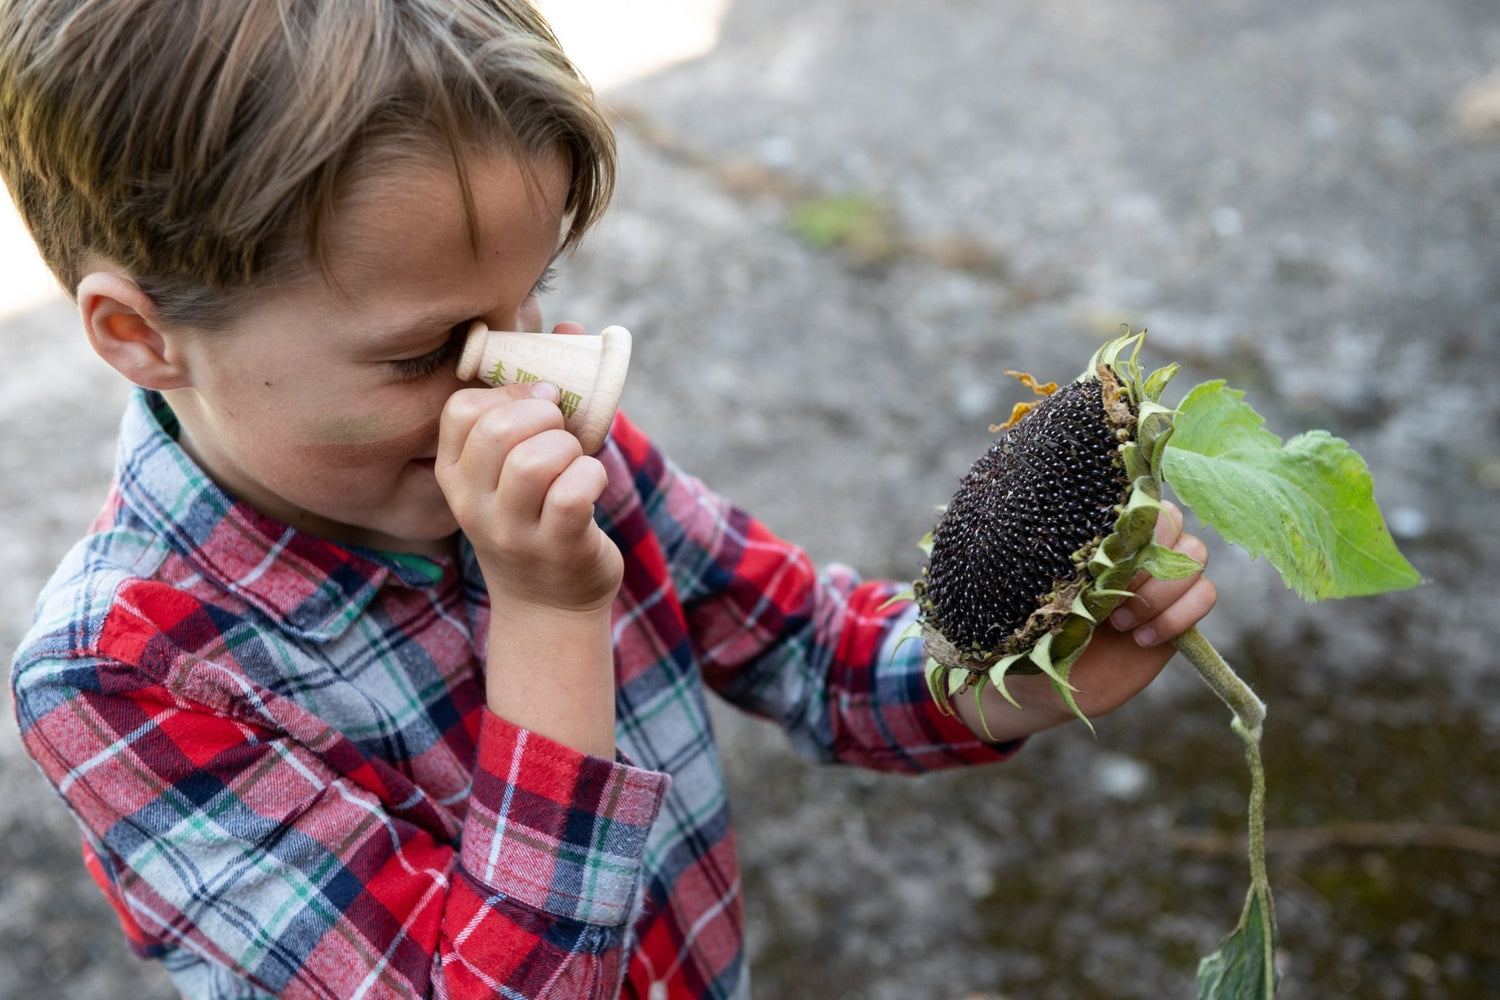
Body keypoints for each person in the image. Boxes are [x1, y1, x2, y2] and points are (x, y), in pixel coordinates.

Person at [1, 1, 1218, 997]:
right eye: (426, 352)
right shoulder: (124, 675)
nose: (522, 371)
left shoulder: (555, 439)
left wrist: (1016, 665)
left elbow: (814, 653)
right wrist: (547, 612)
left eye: (528, 298)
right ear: (138, 334)